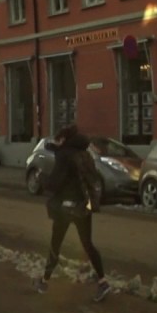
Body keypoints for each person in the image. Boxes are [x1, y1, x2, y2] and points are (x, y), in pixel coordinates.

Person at [35, 125, 111, 301]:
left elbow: (55, 183)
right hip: (84, 206)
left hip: (66, 208)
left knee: (56, 243)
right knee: (88, 244)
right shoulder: (84, 153)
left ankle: (44, 281)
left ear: (63, 139)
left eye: (58, 139)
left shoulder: (64, 155)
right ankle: (103, 282)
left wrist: (41, 177)